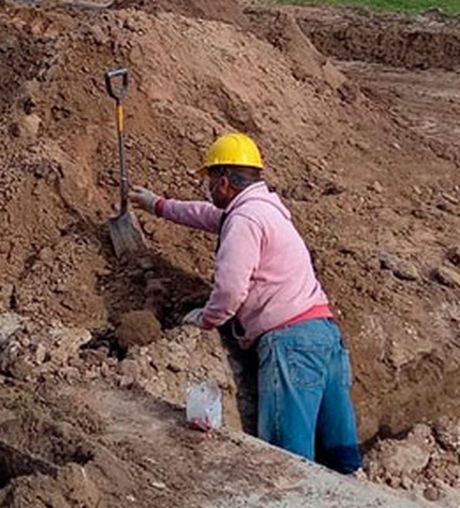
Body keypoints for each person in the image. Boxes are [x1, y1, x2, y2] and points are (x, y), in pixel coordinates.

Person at [131, 133, 361, 474]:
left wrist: (208, 319)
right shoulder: (263, 208)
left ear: (224, 182)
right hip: (324, 335)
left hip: (291, 345)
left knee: (288, 465)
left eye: (210, 181)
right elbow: (206, 215)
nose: (208, 189)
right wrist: (159, 205)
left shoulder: (244, 221)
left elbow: (230, 290)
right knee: (341, 457)